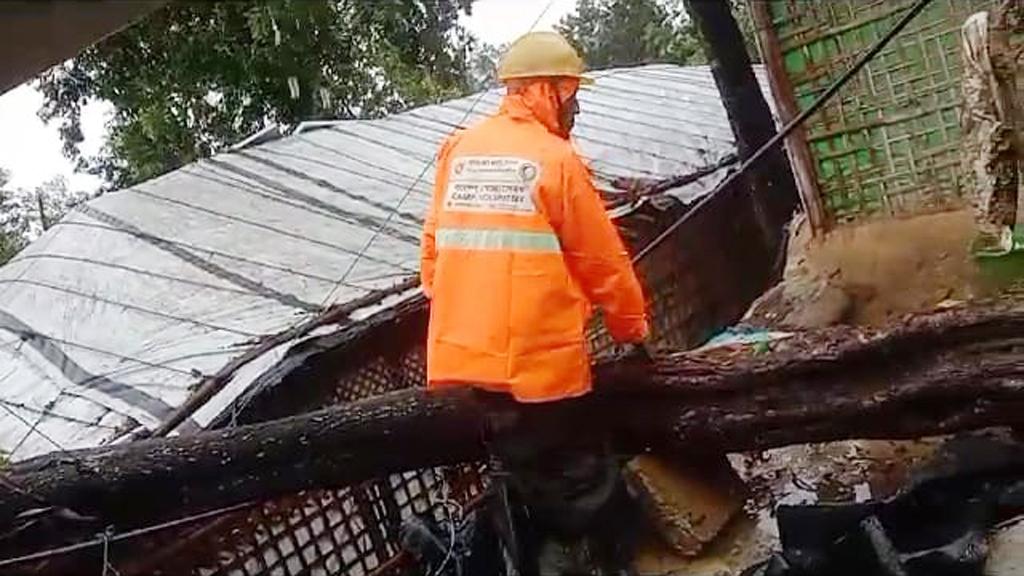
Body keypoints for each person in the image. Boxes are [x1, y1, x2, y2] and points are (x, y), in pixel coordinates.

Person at [419, 31, 650, 575]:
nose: (577, 107)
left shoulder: (460, 150)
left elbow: (432, 262)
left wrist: (473, 306)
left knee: (521, 468)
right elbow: (602, 262)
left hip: (470, 361)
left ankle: (535, 552)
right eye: (573, 94)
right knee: (580, 478)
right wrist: (631, 328)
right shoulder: (556, 159)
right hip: (539, 363)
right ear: (548, 91)